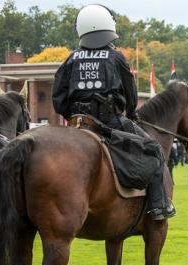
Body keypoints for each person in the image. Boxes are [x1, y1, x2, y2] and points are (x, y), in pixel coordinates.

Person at [52, 4, 175, 220]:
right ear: (108, 27)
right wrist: (128, 113)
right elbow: (131, 93)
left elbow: (58, 98)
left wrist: (72, 117)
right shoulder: (115, 57)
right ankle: (159, 206)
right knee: (155, 149)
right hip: (109, 122)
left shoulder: (71, 58)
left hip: (78, 123)